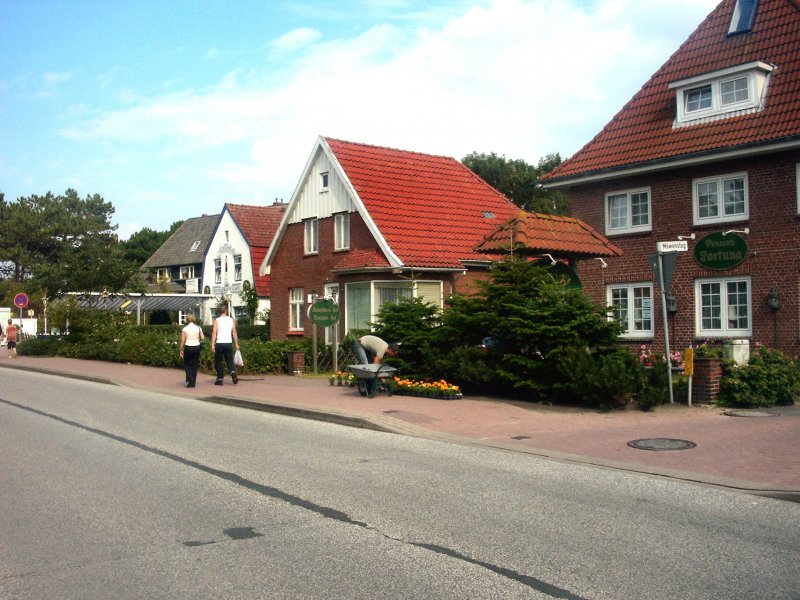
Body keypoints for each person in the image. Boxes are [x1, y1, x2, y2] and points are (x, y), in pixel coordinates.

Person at [211, 305, 239, 385]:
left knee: (219, 361)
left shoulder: (217, 320)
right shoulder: (231, 320)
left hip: (219, 343)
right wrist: (236, 344)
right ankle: (233, 371)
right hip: (228, 343)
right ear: (226, 311)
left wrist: (212, 344)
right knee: (229, 360)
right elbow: (234, 332)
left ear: (219, 312)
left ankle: (220, 379)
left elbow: (214, 332)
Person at [179, 315, 204, 388]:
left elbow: (183, 340)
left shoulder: (185, 329)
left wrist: (181, 350)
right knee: (194, 364)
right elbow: (202, 337)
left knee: (187, 364)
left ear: (187, 320)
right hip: (197, 347)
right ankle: (193, 382)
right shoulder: (198, 328)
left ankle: (190, 380)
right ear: (193, 320)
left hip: (188, 347)